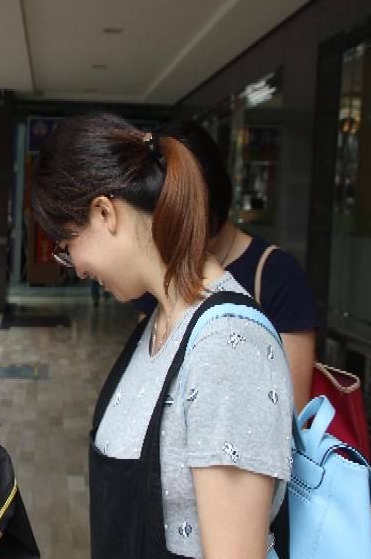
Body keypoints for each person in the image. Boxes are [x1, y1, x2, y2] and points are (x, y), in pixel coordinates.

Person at [32, 113, 292, 559]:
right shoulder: (158, 322)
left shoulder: (228, 346)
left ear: (104, 213)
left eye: (66, 244)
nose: (77, 268)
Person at [133, 121, 318, 411]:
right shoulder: (161, 268)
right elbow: (147, 375)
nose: (178, 232)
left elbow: (292, 410)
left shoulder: (277, 275)